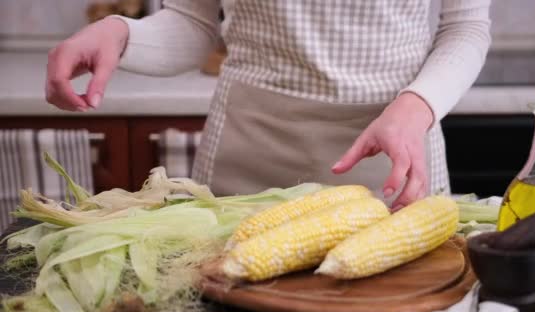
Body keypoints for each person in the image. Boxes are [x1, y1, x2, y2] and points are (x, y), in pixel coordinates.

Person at [45, 0, 491, 211]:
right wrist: (122, 34)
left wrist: (417, 106)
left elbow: (466, 27)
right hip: (248, 161)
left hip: (393, 158)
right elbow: (194, 22)